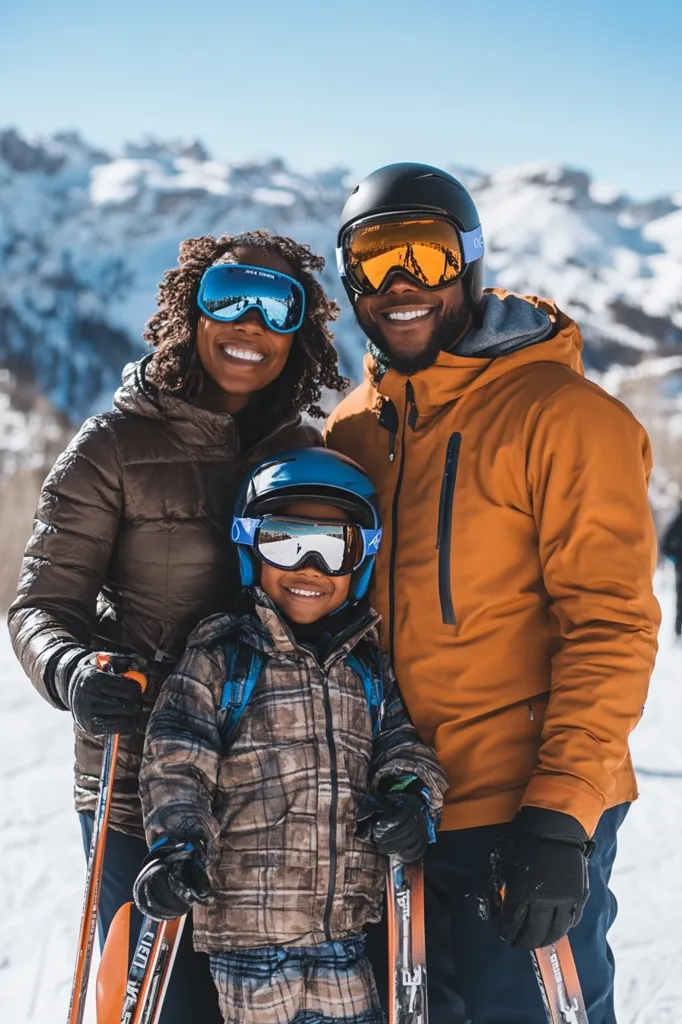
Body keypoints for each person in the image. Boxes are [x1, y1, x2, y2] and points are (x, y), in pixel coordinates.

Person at [324, 163, 661, 1024]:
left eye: (427, 255)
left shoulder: (566, 417)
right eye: (374, 260)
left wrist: (560, 812)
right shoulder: (353, 428)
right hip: (396, 811)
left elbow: (611, 625)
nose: (401, 283)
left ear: (470, 262)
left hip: (523, 805)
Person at [8, 230, 347, 1023]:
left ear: (300, 330)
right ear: (190, 313)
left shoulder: (305, 452)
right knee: (159, 1003)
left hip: (280, 789)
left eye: (276, 306)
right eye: (227, 297)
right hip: (137, 784)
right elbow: (42, 604)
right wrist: (72, 671)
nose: (249, 323)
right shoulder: (113, 446)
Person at [133, 447, 447, 1024]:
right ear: (250, 547)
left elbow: (404, 746)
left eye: (333, 548)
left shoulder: (366, 667)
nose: (310, 567)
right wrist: (178, 847)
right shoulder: (223, 657)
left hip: (346, 935)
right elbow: (177, 761)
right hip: (248, 940)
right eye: (285, 542)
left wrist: (409, 798)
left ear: (362, 560)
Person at [661, 501, 682, 637]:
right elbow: (665, 544)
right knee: (681, 601)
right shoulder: (679, 520)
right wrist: (676, 558)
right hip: (681, 568)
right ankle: (678, 632)